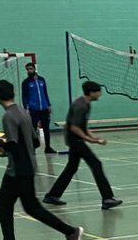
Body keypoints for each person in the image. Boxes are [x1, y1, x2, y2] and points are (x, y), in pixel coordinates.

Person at [0, 79, 82, 240]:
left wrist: (0, 145)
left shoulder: (8, 116)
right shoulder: (23, 112)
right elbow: (36, 142)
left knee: (31, 207)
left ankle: (70, 231)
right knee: (4, 203)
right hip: (23, 166)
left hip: (19, 169)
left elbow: (14, 145)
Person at [43, 81, 123, 210]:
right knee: (96, 164)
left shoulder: (86, 104)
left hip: (77, 139)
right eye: (98, 91)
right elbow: (74, 127)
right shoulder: (80, 106)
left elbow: (83, 125)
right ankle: (107, 198)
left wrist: (93, 137)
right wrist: (89, 139)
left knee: (71, 167)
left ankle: (52, 195)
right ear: (91, 93)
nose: (100, 94)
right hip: (76, 141)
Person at [22, 61, 56, 154]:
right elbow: (24, 96)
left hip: (44, 109)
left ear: (34, 69)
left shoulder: (42, 80)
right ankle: (32, 149)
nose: (29, 71)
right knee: (33, 130)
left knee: (46, 129)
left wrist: (48, 105)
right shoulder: (26, 82)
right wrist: (26, 108)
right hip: (33, 110)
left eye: (31, 69)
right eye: (28, 69)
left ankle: (48, 147)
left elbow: (45, 93)